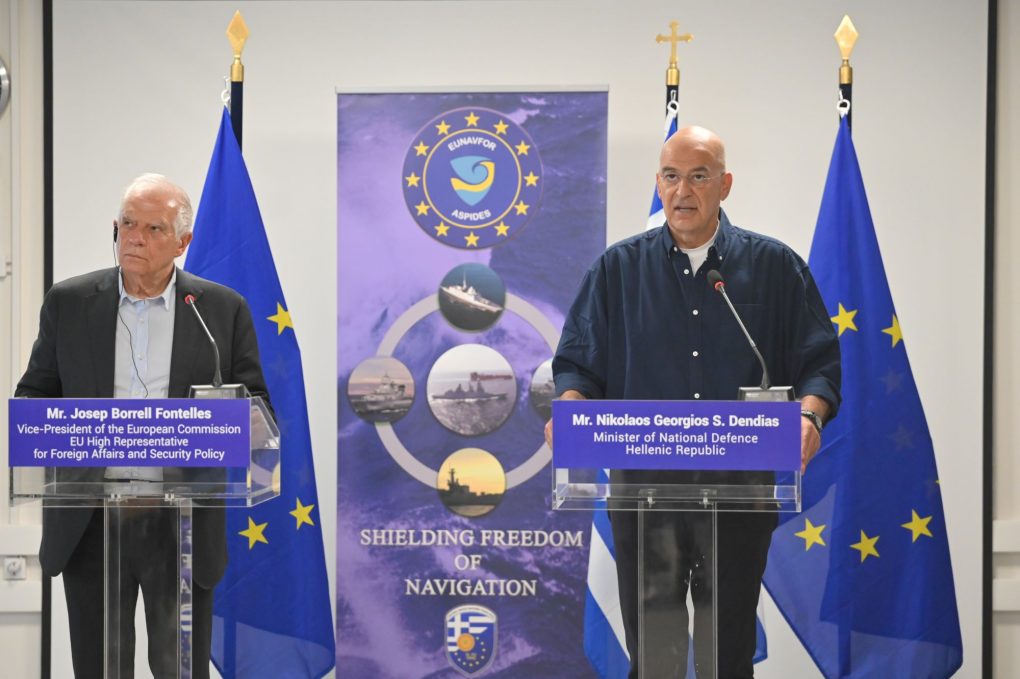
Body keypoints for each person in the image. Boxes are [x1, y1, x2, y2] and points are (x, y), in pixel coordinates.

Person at [547, 127, 841, 678]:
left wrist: (808, 415)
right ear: (658, 183)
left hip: (739, 497)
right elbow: (578, 366)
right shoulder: (617, 270)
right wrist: (569, 409)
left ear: (724, 185)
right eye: (671, 176)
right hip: (645, 500)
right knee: (654, 660)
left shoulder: (775, 267)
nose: (683, 191)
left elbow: (819, 365)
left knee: (725, 657)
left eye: (699, 177)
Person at [16, 174, 271, 678]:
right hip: (90, 518)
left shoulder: (219, 311)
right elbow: (34, 396)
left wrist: (213, 424)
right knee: (98, 668)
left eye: (153, 228)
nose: (134, 238)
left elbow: (259, 413)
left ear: (182, 242)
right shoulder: (69, 302)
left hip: (180, 524)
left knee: (179, 670)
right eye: (127, 224)